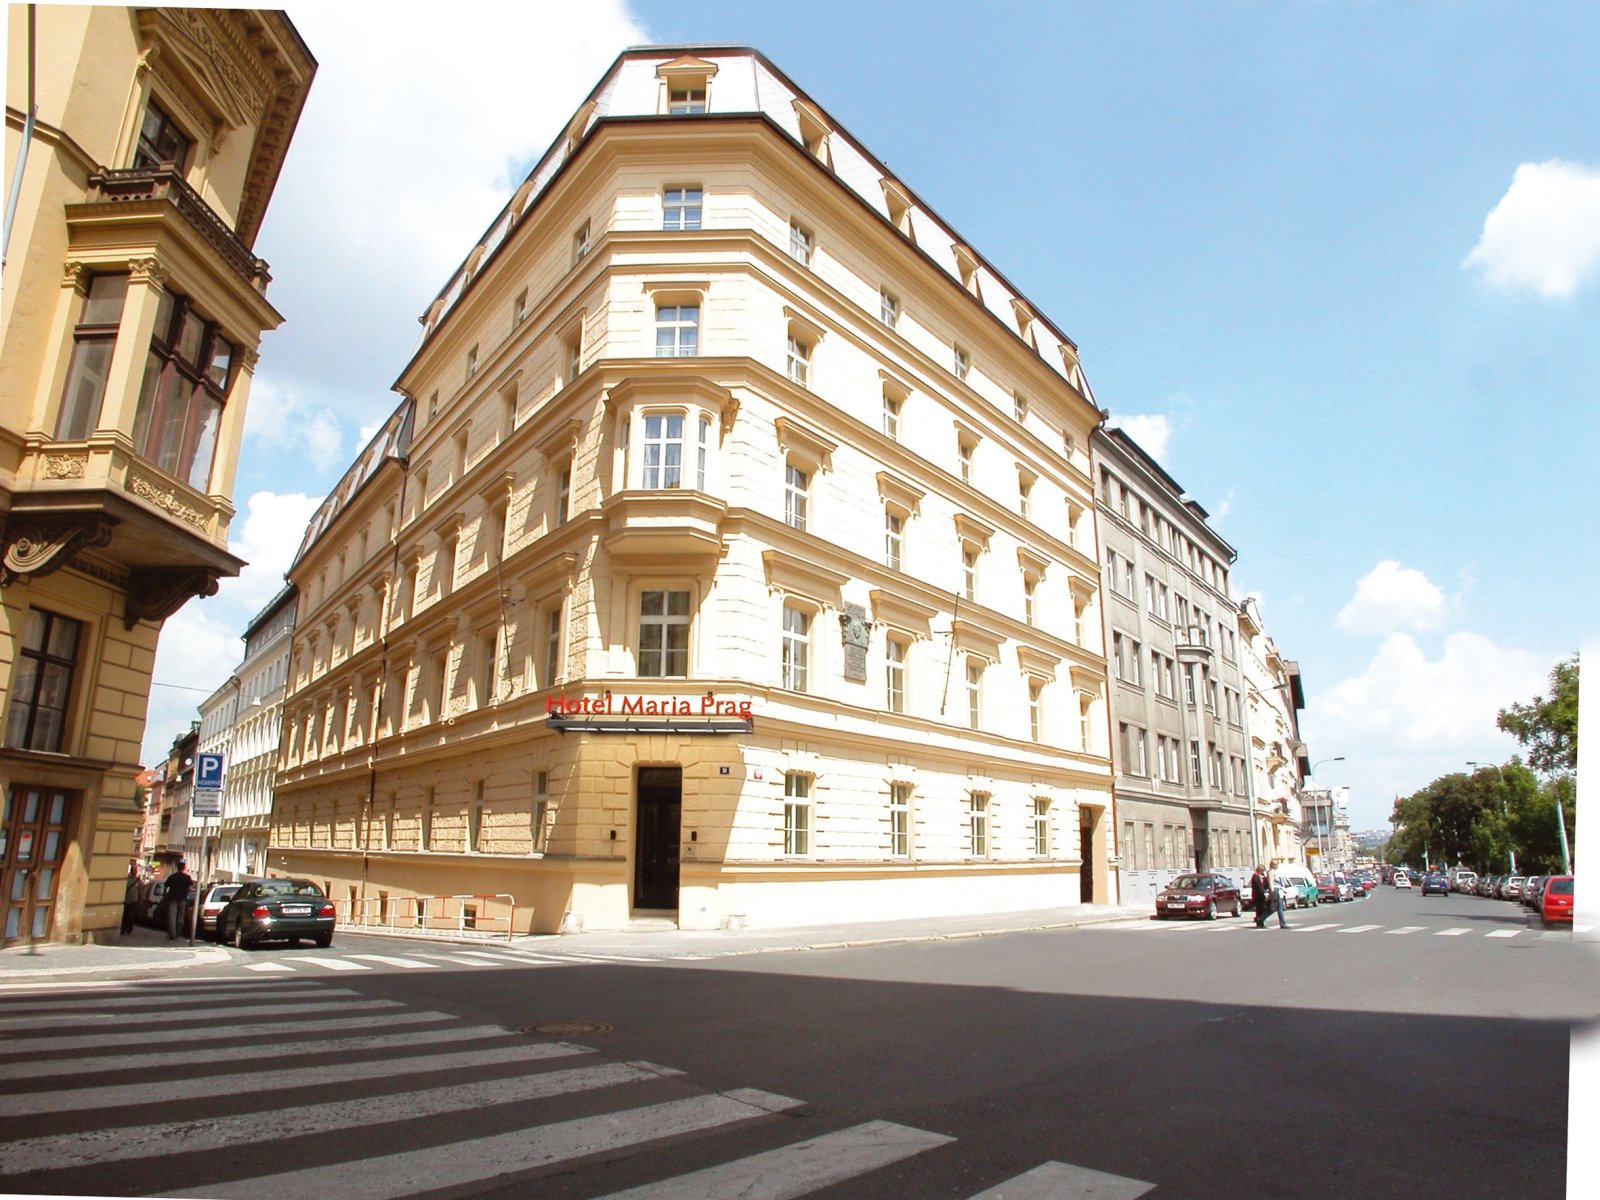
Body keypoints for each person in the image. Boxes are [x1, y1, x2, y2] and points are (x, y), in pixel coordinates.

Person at [165, 861, 194, 940]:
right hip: (183, 898)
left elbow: (166, 885)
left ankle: (172, 933)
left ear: (177, 867)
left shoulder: (172, 877)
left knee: (172, 916)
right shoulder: (187, 877)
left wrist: (165, 896)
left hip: (173, 898)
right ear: (184, 868)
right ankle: (179, 932)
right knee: (181, 916)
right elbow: (190, 887)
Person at [1266, 860, 1290, 929]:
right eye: (1276, 864)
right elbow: (1271, 882)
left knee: (1280, 908)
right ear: (1273, 865)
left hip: (1277, 890)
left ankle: (1283, 923)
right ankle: (1261, 918)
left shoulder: (1274, 872)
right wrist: (1272, 892)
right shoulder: (1271, 872)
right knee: (1273, 908)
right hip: (1274, 891)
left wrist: (1283, 890)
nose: (1277, 866)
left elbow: (1278, 884)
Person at [120, 864, 140, 935]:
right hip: (127, 899)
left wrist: (140, 899)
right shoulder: (127, 879)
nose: (134, 871)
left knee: (131, 915)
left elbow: (140, 890)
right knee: (125, 915)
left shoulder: (138, 880)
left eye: (135, 870)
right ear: (131, 871)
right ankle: (123, 928)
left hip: (134, 900)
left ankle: (129, 929)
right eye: (133, 870)